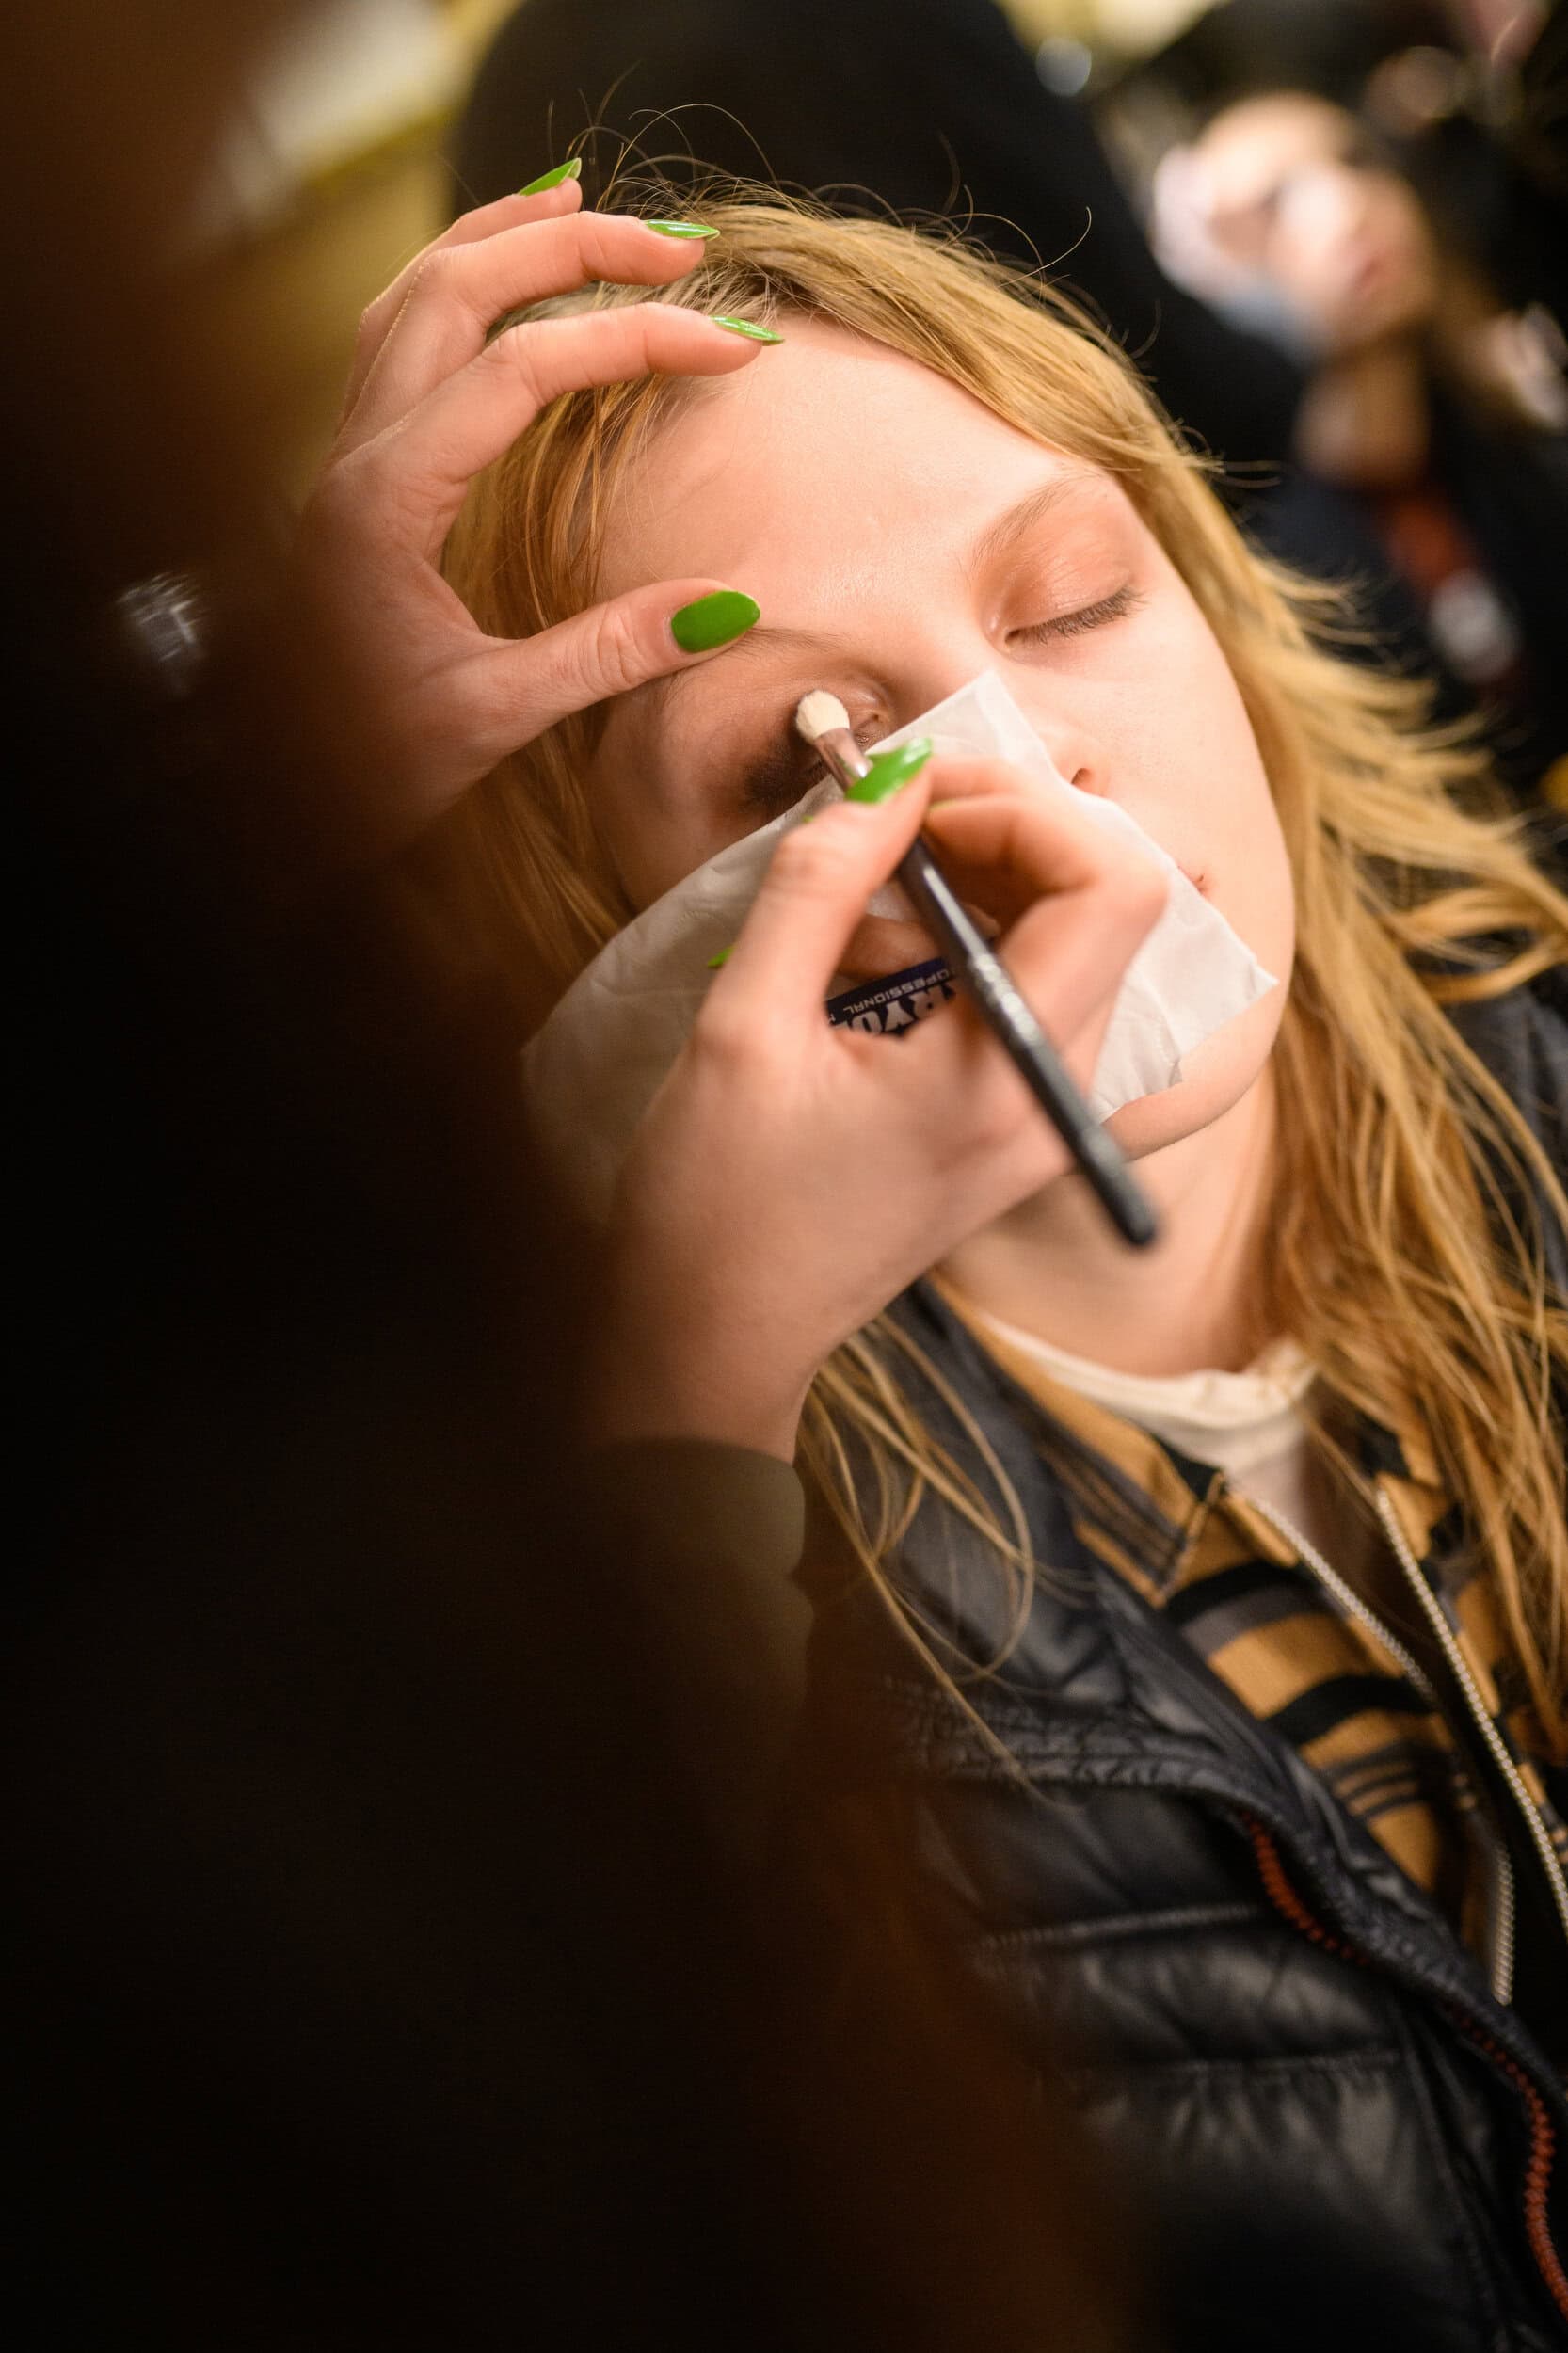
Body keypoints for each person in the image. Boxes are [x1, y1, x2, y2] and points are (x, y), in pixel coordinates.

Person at [358, 181, 1568, 2347]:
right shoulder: (684, 1646)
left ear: (1214, 596)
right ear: (615, 957)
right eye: (793, 756)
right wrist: (683, 1402)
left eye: (1076, 603)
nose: (1014, 775)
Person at [1151, 88, 1568, 807]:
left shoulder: (1520, 436)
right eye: (1273, 205)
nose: (1346, 206)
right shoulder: (1267, 578)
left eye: (1356, 161)